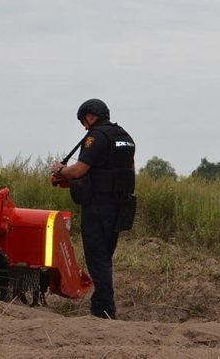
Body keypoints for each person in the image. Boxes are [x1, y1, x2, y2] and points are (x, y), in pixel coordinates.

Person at [51, 98, 136, 319]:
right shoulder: (125, 137)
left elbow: (79, 170)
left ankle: (104, 310)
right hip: (120, 206)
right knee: (105, 256)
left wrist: (61, 171)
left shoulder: (95, 137)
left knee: (97, 258)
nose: (84, 127)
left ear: (90, 116)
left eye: (83, 121)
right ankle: (101, 303)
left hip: (99, 206)